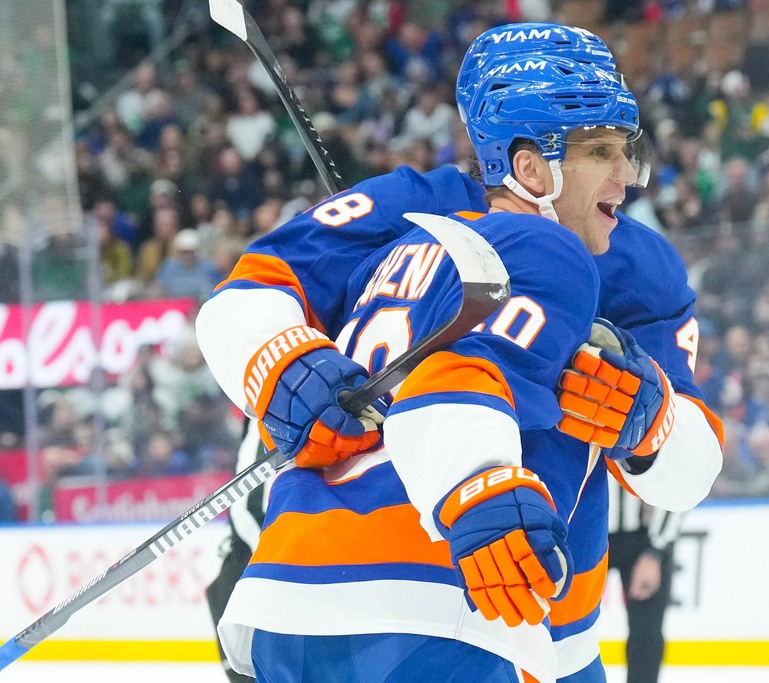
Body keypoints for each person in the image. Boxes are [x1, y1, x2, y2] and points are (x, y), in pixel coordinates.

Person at [198, 23, 723, 683]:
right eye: (599, 149)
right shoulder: (412, 206)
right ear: (529, 163)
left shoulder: (633, 263)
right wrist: (286, 365)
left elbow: (690, 468)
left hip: (520, 618)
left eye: (625, 149)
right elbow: (251, 294)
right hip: (454, 598)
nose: (627, 177)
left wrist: (652, 423)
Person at [607, 476, 684, 683]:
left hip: (642, 538)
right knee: (565, 629)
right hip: (582, 534)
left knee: (646, 635)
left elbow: (679, 479)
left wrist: (655, 550)